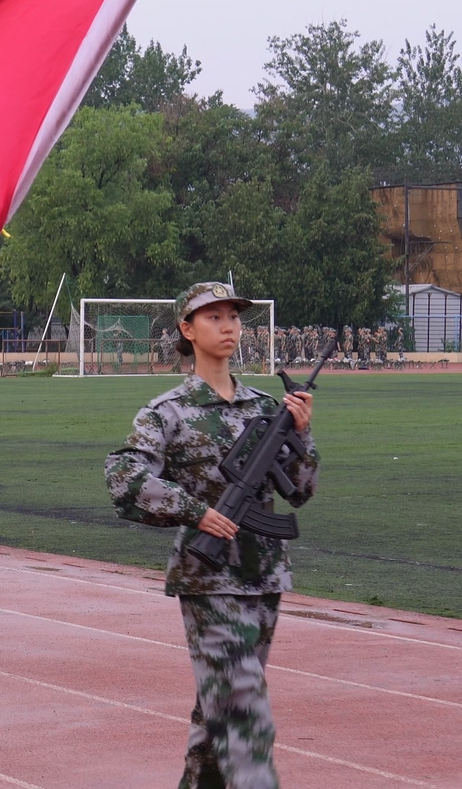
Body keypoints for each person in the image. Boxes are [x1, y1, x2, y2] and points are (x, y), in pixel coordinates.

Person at [106, 281, 318, 789]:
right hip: (208, 578)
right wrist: (195, 511)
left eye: (233, 317)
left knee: (217, 715)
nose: (228, 327)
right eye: (213, 317)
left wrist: (302, 434)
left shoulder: (265, 408)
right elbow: (124, 478)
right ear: (187, 329)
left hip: (264, 575)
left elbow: (301, 491)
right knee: (242, 707)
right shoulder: (168, 411)